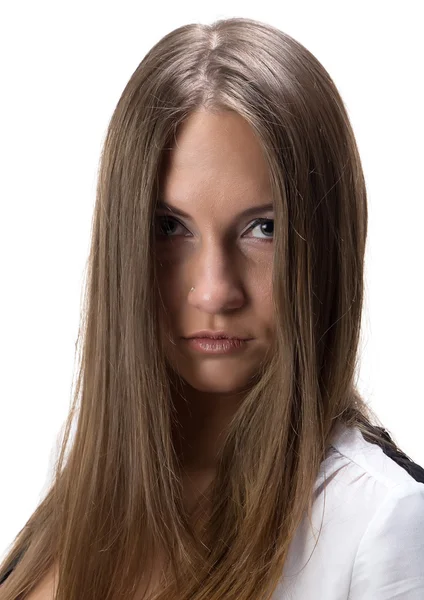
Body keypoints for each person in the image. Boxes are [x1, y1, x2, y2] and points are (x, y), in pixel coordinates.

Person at [1, 16, 423, 600]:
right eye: (170, 227)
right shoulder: (89, 487)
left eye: (263, 228)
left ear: (329, 246)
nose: (214, 291)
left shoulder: (384, 521)